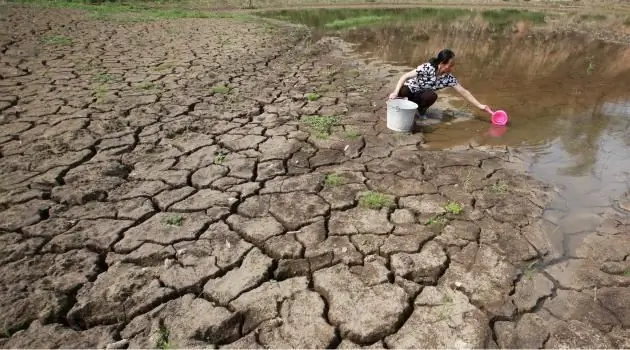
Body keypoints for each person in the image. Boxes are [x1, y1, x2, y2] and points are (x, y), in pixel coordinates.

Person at [388, 49, 489, 118]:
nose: (452, 68)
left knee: (432, 95)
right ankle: (404, 108)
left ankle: (421, 110)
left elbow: (464, 91)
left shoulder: (448, 78)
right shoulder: (427, 67)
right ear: (441, 64)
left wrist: (480, 106)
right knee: (404, 90)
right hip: (410, 91)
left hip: (422, 95)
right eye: (450, 65)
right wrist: (395, 92)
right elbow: (404, 76)